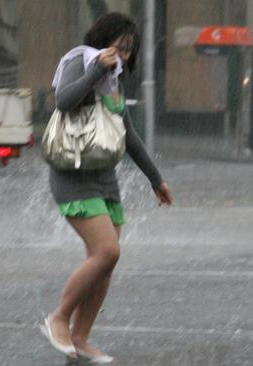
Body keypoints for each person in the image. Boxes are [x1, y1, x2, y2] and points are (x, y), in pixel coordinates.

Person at [40, 12, 174, 363]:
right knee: (108, 252)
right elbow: (64, 101)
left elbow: (128, 133)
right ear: (104, 38)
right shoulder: (80, 59)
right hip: (73, 174)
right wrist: (96, 69)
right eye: (120, 45)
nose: (124, 54)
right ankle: (58, 318)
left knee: (103, 263)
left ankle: (80, 339)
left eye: (130, 49)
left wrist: (155, 178)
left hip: (104, 178)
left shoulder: (115, 80)